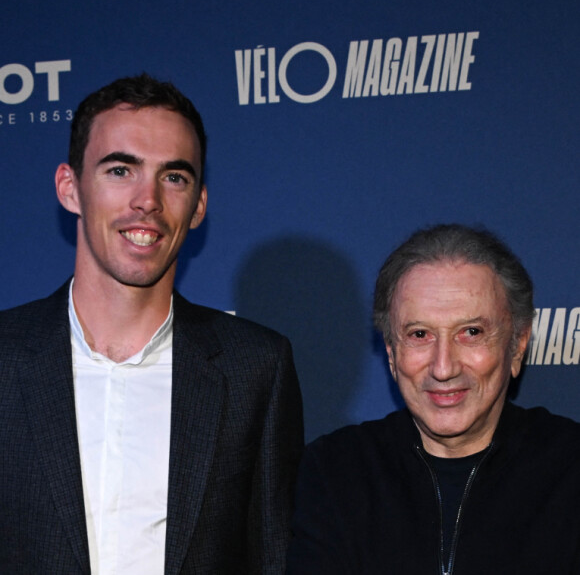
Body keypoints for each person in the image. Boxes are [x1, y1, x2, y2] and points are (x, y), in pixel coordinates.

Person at [0, 74, 303, 574]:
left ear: (199, 205)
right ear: (70, 188)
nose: (149, 200)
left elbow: (271, 558)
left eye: (174, 177)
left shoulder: (255, 369)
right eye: (120, 170)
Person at [286, 224, 580, 575]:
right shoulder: (335, 469)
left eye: (471, 332)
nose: (443, 367)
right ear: (392, 354)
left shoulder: (571, 467)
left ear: (517, 345)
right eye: (419, 334)